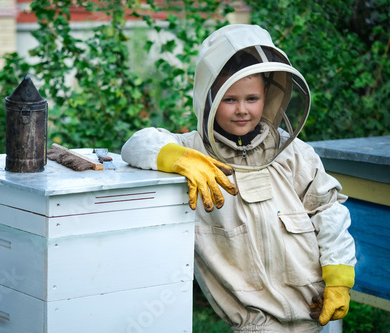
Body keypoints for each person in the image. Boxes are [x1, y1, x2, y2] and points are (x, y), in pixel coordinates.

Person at [121, 24, 356, 332]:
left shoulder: (293, 153)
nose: (242, 110)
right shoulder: (194, 151)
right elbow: (135, 145)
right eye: (229, 100)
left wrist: (339, 279)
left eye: (252, 98)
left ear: (269, 96)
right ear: (208, 100)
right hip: (255, 323)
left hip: (318, 309)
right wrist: (179, 159)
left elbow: (328, 210)